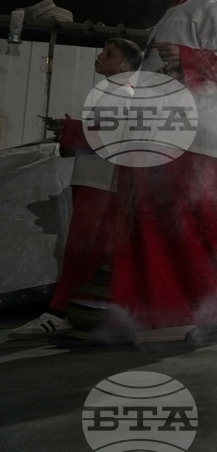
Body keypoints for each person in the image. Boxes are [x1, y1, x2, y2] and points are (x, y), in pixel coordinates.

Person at [92, 0, 217, 345]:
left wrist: (186, 57)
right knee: (155, 231)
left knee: (198, 230)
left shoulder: (208, 8)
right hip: (161, 139)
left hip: (197, 139)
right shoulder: (166, 18)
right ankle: (152, 315)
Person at [9, 39, 142, 340]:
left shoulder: (121, 92)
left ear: (124, 65)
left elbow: (110, 134)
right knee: (86, 250)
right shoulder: (115, 92)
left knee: (82, 250)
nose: (100, 56)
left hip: (102, 181)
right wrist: (72, 128)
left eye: (109, 54)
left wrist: (70, 130)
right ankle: (77, 312)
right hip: (97, 179)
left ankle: (58, 314)